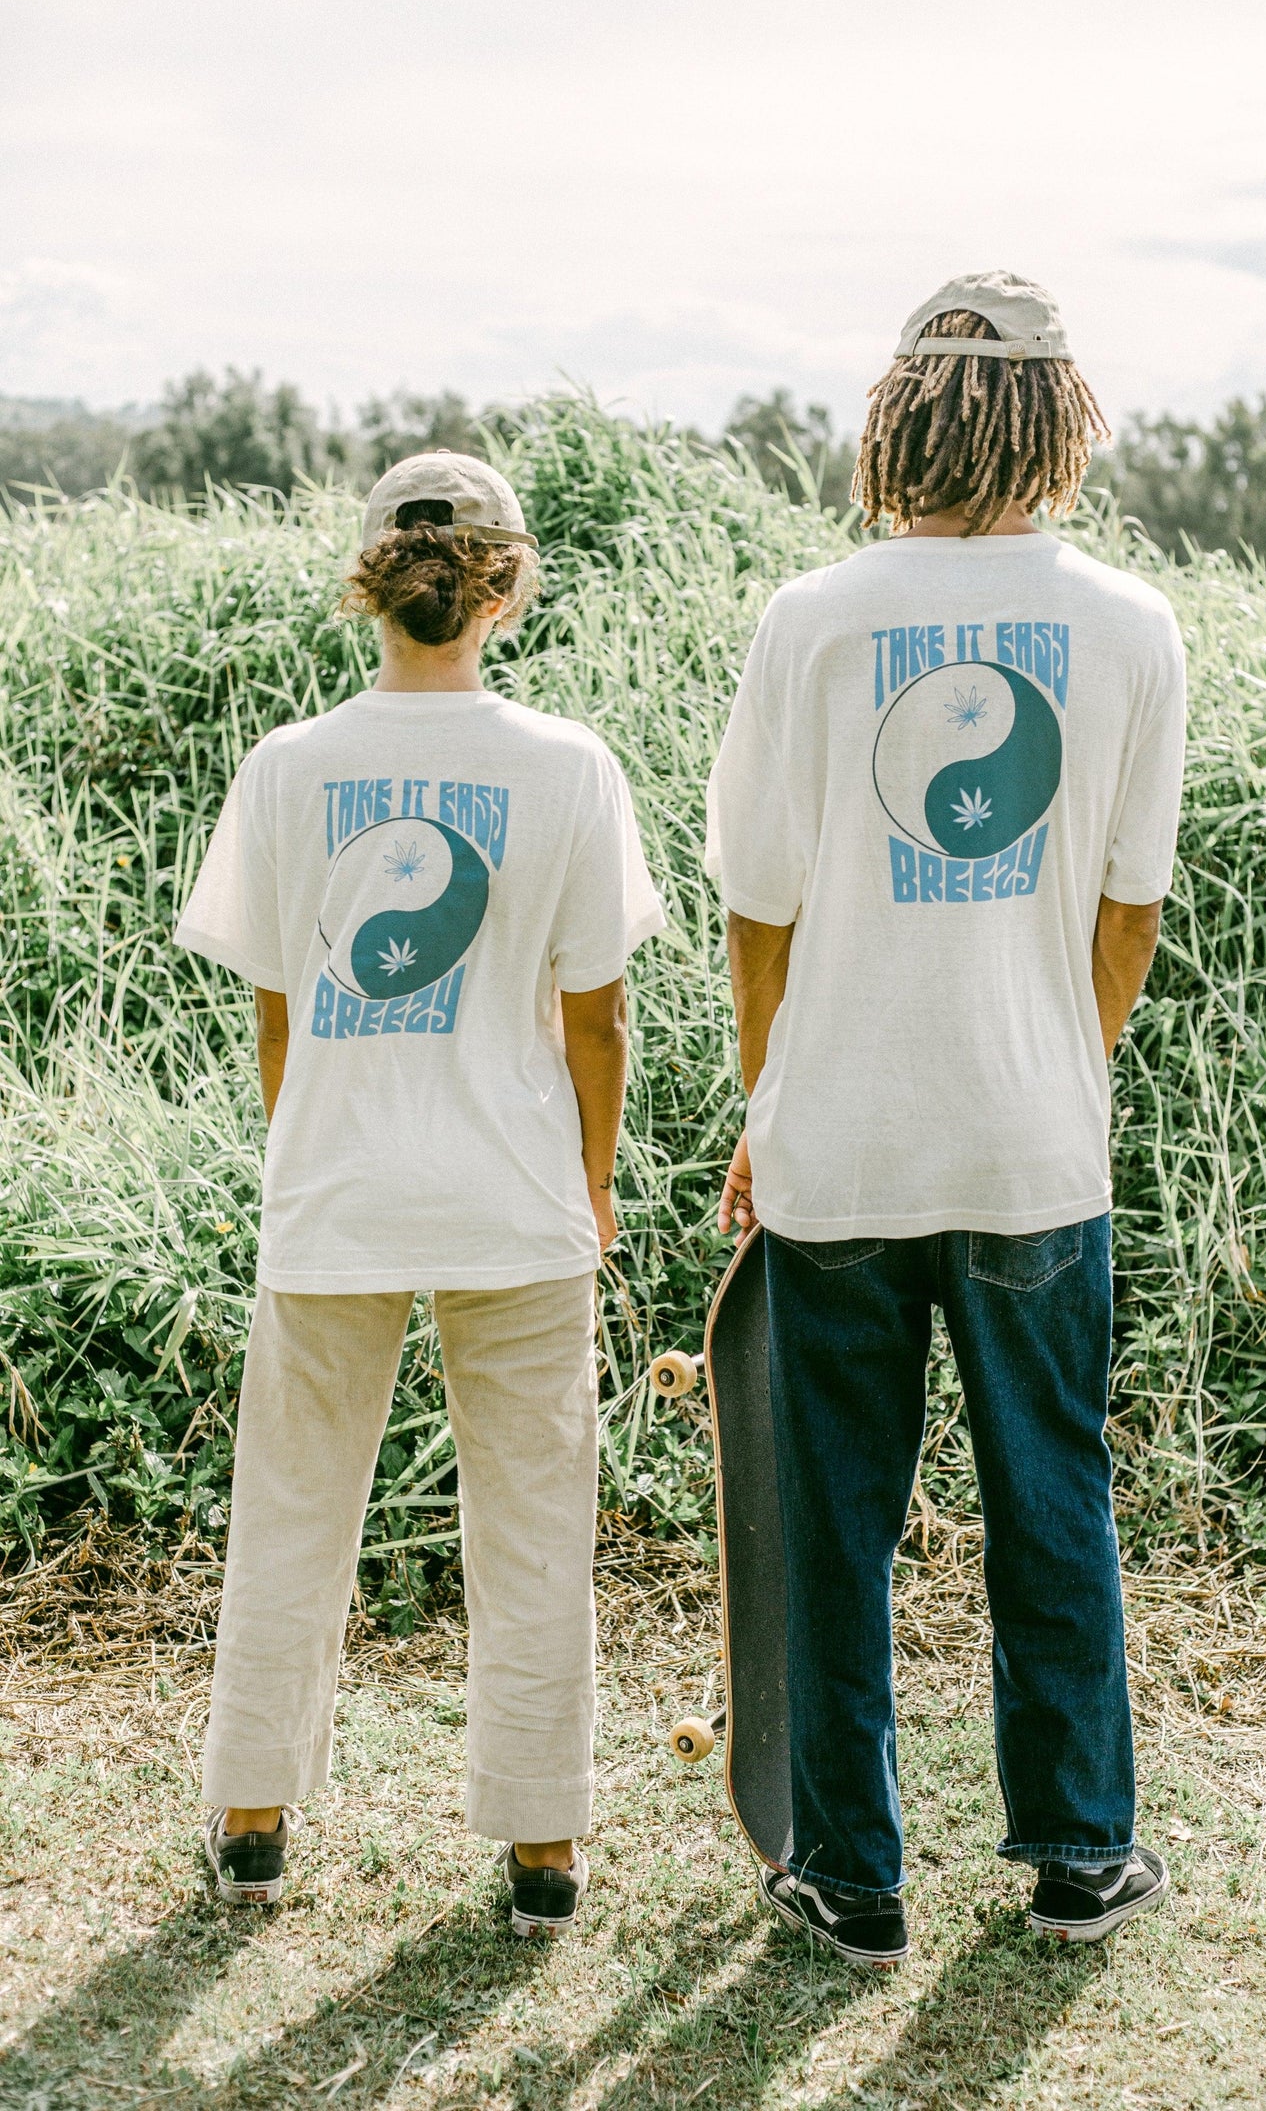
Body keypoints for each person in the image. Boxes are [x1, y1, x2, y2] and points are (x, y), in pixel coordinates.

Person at [705, 272, 1186, 1965]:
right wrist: (1064, 1062)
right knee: (1050, 1492)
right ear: (1062, 416)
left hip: (838, 1137)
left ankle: (849, 1874)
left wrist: (771, 1097)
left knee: (832, 1515)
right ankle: (1076, 1854)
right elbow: (1126, 910)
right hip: (1028, 1147)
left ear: (900, 409)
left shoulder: (814, 619)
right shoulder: (1130, 625)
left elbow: (757, 907)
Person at [176, 450, 664, 1936]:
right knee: (532, 1523)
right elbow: (597, 1017)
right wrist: (588, 1188)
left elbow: (279, 1012)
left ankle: (253, 1822)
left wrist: (313, 1152)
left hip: (332, 1193)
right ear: (504, 587)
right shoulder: (567, 765)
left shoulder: (287, 767)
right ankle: (540, 1852)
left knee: (292, 1510)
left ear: (367, 583)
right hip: (516, 1197)